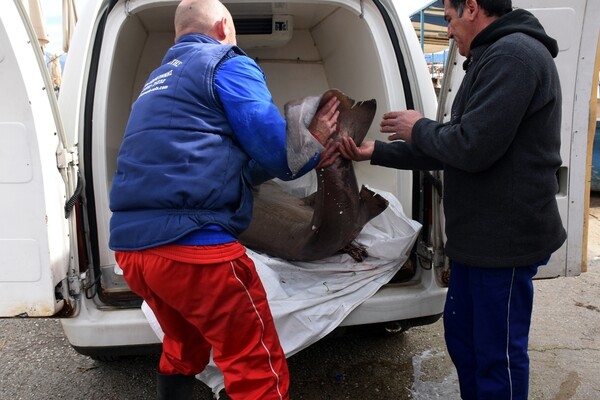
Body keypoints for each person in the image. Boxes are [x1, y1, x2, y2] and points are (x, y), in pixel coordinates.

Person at [108, 0, 341, 398]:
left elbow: (236, 169)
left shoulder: (158, 81)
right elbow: (280, 155)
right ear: (222, 26)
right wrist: (314, 140)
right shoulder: (224, 60)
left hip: (134, 253)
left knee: (184, 345)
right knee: (255, 365)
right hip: (195, 251)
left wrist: (289, 155)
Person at [339, 0, 566, 399]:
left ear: (473, 8)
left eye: (448, 18)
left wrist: (418, 126)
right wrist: (374, 150)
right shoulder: (489, 57)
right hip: (476, 242)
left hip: (504, 242)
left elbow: (471, 147)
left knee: (497, 357)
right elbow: (450, 146)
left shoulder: (514, 55)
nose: (447, 30)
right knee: (464, 342)